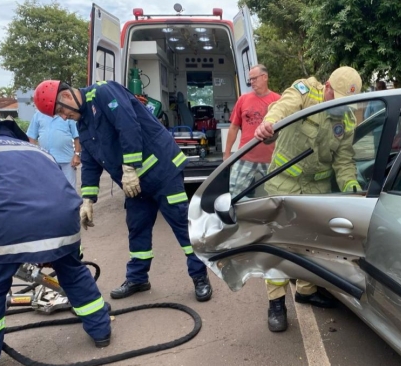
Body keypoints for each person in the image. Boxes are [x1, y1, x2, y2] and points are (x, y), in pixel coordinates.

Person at [0, 116, 112, 366]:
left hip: (6, 228)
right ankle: (102, 332)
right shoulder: (38, 150)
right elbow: (52, 192)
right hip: (64, 221)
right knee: (73, 272)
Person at [33, 79, 213, 302]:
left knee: (181, 224)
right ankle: (138, 278)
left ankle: (200, 277)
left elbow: (128, 125)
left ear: (67, 96)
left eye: (61, 110)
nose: (63, 117)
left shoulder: (103, 92)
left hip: (162, 170)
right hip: (135, 183)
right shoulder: (83, 123)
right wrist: (88, 199)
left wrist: (129, 168)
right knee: (137, 228)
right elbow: (90, 160)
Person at [253, 66, 363, 332]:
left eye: (345, 102)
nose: (340, 106)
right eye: (335, 98)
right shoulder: (305, 92)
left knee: (311, 247)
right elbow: (283, 107)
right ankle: (276, 302)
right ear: (326, 86)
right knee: (279, 247)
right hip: (283, 185)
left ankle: (305, 289)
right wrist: (269, 123)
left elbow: (344, 160)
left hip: (316, 191)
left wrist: (351, 184)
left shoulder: (347, 120)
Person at [223, 64, 281, 198]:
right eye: (250, 80)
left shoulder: (278, 101)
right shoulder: (243, 100)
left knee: (279, 194)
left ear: (265, 77)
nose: (251, 82)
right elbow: (234, 127)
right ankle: (237, 218)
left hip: (272, 159)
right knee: (234, 195)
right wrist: (227, 154)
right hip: (245, 156)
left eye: (254, 79)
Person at [27, 110, 81, 189]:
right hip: (46, 161)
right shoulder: (38, 115)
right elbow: (31, 136)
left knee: (70, 190)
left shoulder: (67, 113)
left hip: (67, 161)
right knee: (49, 189)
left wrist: (77, 155)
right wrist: (35, 155)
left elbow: (77, 137)